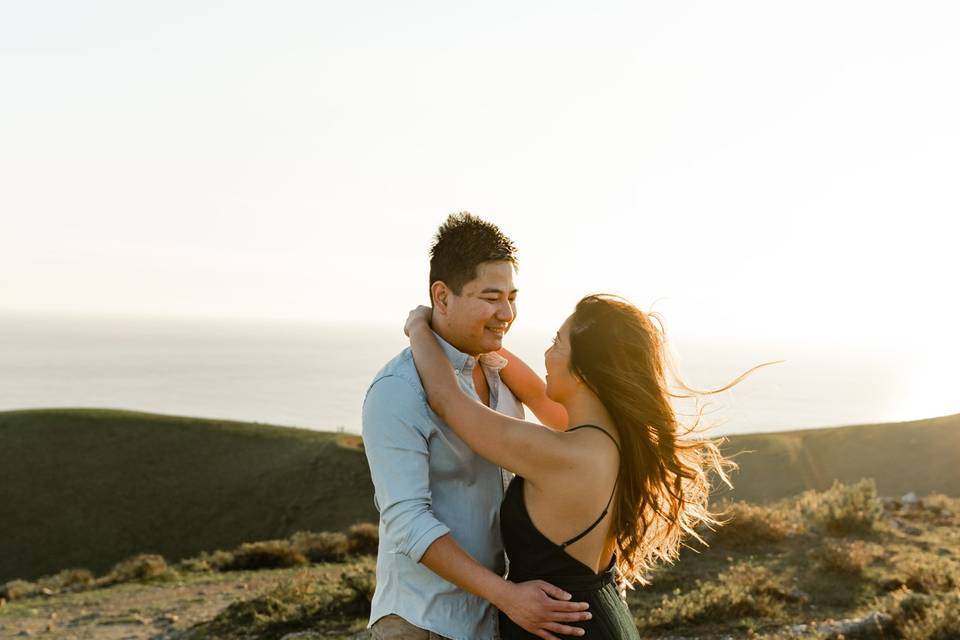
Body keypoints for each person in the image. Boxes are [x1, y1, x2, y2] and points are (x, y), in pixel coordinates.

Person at [404, 293, 771, 639]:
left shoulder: (563, 455)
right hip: (601, 617)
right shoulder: (612, 441)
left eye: (557, 343)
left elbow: (446, 399)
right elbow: (533, 392)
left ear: (585, 370)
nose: (547, 354)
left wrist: (420, 325)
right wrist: (481, 342)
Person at [362, 213, 592, 640]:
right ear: (442, 297)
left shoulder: (502, 369)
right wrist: (508, 596)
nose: (506, 313)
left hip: (500, 620)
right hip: (424, 623)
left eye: (511, 296)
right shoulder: (397, 390)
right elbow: (408, 521)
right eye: (491, 297)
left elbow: (560, 414)